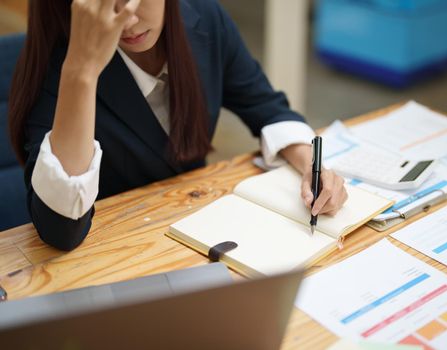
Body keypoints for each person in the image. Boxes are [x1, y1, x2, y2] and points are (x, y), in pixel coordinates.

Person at [8, 0, 347, 251]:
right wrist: (82, 72)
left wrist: (310, 168)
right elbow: (61, 231)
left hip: (196, 232)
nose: (129, 20)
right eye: (108, 5)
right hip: (112, 251)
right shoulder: (59, 66)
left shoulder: (202, 17)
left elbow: (265, 106)